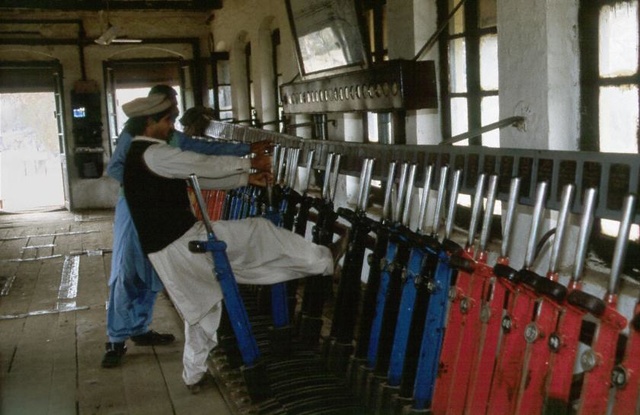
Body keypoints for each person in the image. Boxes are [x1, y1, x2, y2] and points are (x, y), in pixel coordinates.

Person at [120, 94, 344, 393]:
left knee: (203, 308)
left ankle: (193, 375)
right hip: (182, 243)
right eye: (167, 121)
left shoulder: (143, 155)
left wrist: (245, 179)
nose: (171, 127)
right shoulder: (154, 154)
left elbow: (193, 178)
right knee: (260, 232)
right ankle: (324, 259)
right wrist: (250, 162)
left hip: (169, 246)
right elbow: (199, 164)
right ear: (149, 123)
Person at [103, 85, 271, 369]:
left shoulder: (168, 136)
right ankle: (115, 339)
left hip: (159, 209)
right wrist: (143, 187)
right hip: (134, 209)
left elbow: (201, 149)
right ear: (154, 114)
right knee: (126, 270)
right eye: (171, 107)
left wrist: (247, 149)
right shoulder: (133, 138)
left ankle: (140, 328)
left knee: (155, 266)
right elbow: (116, 169)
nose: (176, 113)